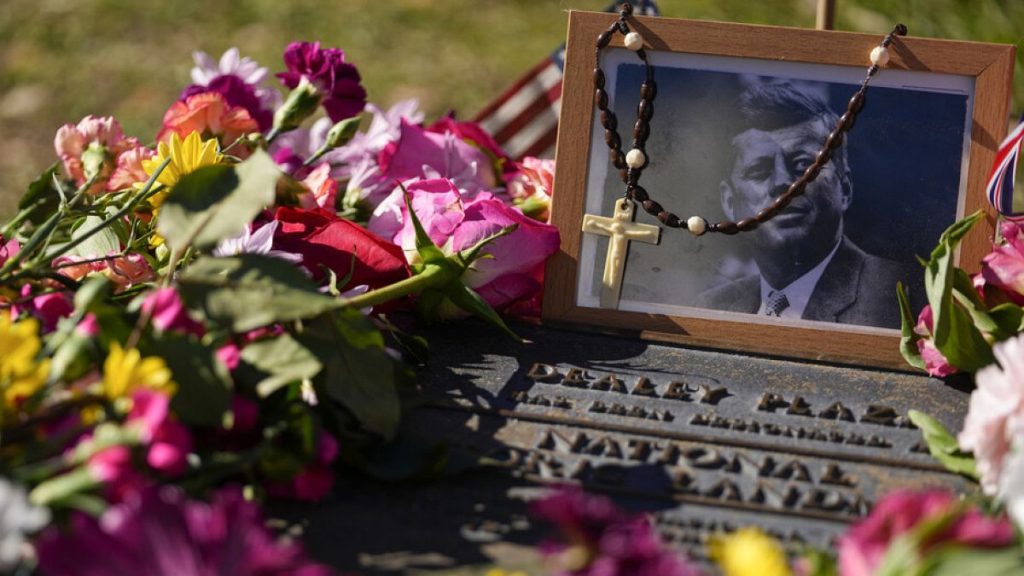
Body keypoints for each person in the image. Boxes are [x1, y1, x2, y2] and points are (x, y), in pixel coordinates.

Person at [696, 82, 919, 329]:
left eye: (803, 165)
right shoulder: (711, 306)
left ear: (844, 188)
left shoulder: (903, 294)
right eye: (759, 171)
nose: (783, 183)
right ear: (729, 202)